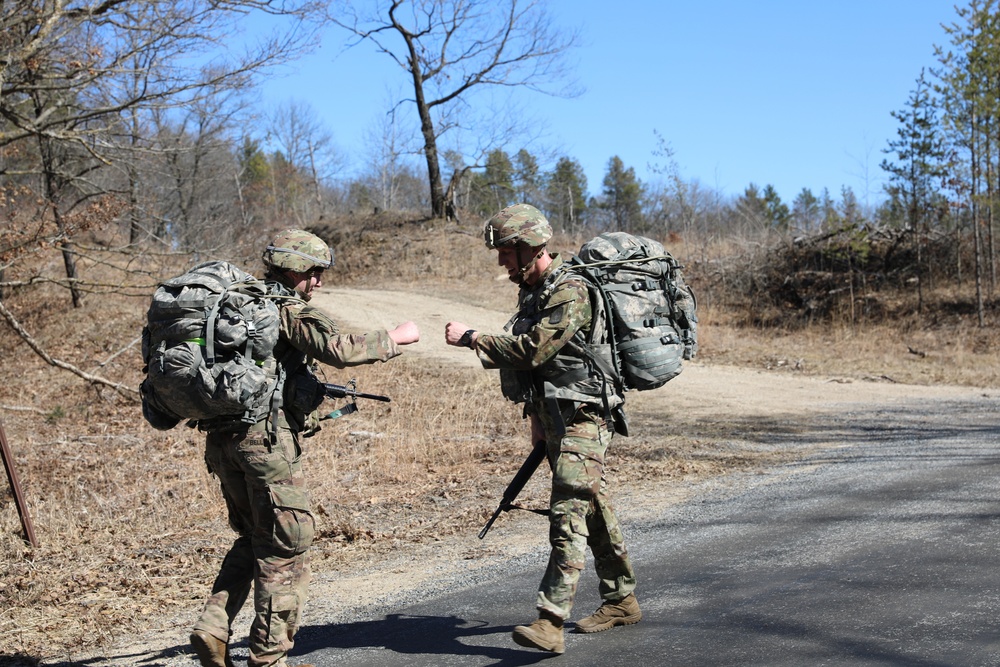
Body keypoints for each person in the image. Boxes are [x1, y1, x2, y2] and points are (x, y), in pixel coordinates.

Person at [190, 229, 419, 667]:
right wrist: (396, 336)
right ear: (293, 270)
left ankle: (213, 625)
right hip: (265, 444)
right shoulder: (283, 309)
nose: (319, 282)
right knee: (287, 546)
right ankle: (270, 658)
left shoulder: (233, 306)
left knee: (256, 536)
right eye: (314, 273)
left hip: (222, 444)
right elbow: (338, 349)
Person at [445, 204, 640, 655]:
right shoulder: (533, 292)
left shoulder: (570, 289)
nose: (501, 261)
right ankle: (621, 598)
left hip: (587, 415)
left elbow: (535, 350)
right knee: (593, 505)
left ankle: (550, 620)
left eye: (506, 252)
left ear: (529, 247)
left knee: (568, 508)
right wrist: (536, 421)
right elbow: (541, 371)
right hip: (555, 418)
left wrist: (474, 338)